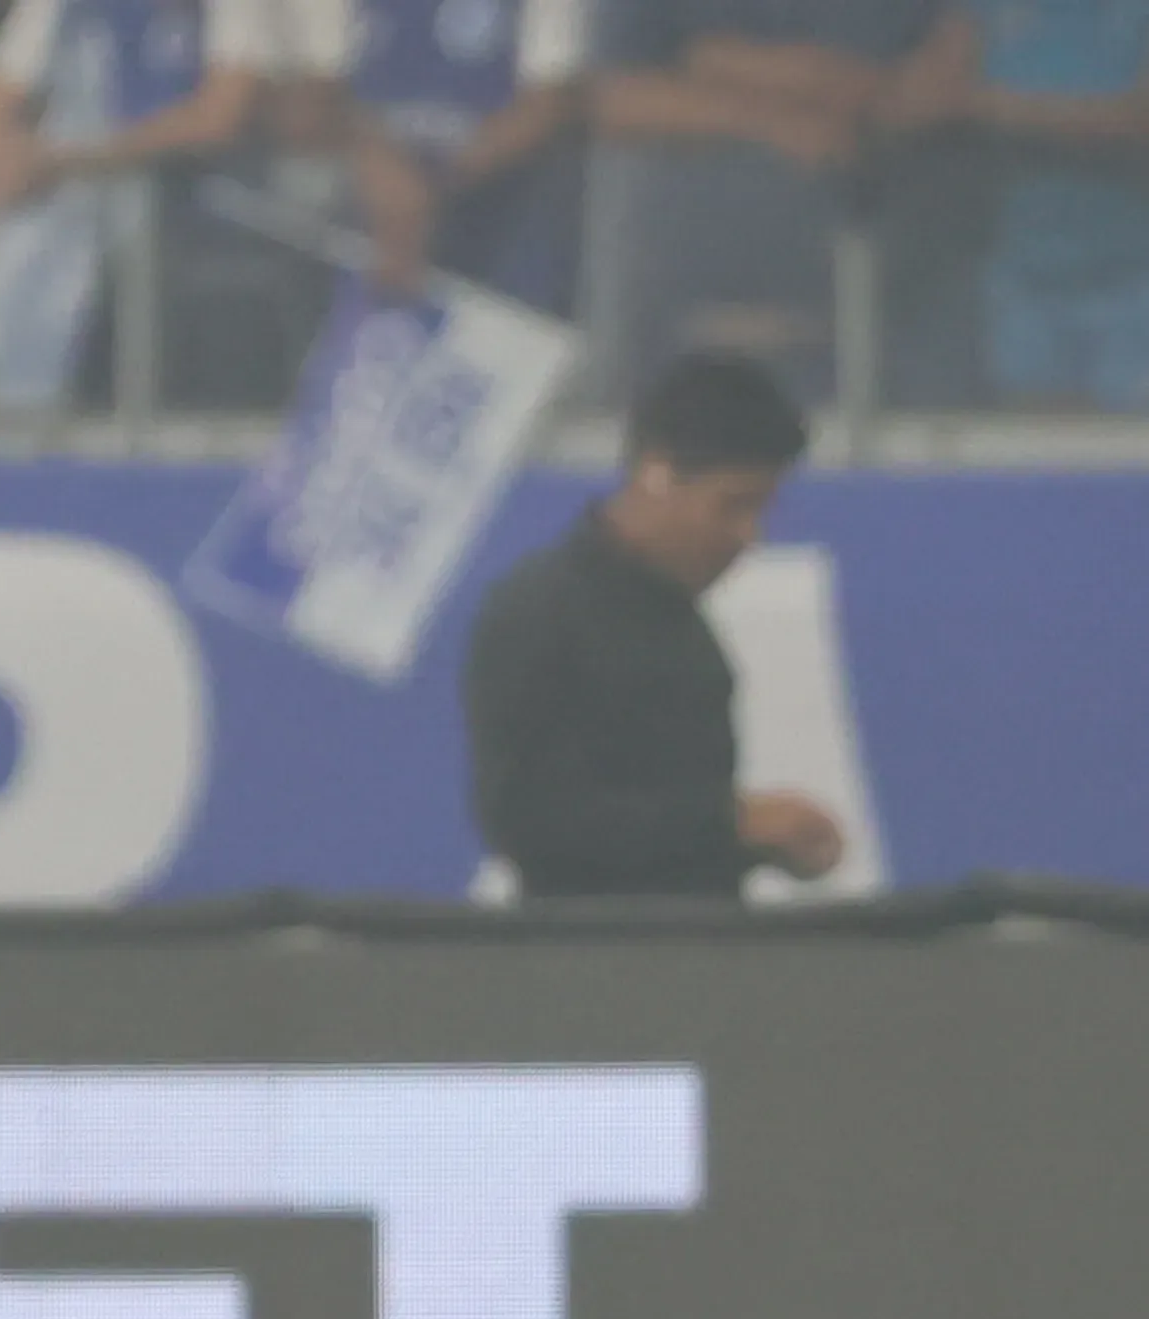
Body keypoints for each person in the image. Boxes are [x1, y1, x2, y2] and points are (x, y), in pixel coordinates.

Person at [463, 351, 842, 898]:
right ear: (656, 476)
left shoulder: (679, 624)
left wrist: (763, 844)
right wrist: (733, 825)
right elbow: (524, 818)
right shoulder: (538, 612)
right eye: (733, 506)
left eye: (760, 510)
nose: (749, 535)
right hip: (586, 966)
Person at [585, 0, 952, 399]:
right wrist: (773, 118)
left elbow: (941, 82)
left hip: (873, 312)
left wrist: (725, 65)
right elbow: (607, 101)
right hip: (680, 315)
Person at [0, 0, 284, 416]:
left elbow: (219, 118)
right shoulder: (60, 8)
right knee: (34, 226)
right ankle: (16, 398)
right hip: (72, 211)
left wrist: (74, 163)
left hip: (204, 215)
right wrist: (8, 159)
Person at [887, 0, 1149, 411]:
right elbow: (912, 103)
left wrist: (993, 107)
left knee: (1126, 454)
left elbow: (1137, 123)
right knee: (1035, 454)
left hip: (1133, 284)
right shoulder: (986, 12)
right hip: (1023, 281)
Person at [295, 0, 591, 312]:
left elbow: (552, 102)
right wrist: (379, 168)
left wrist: (430, 186)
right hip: (358, 213)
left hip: (501, 214)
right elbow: (311, 95)